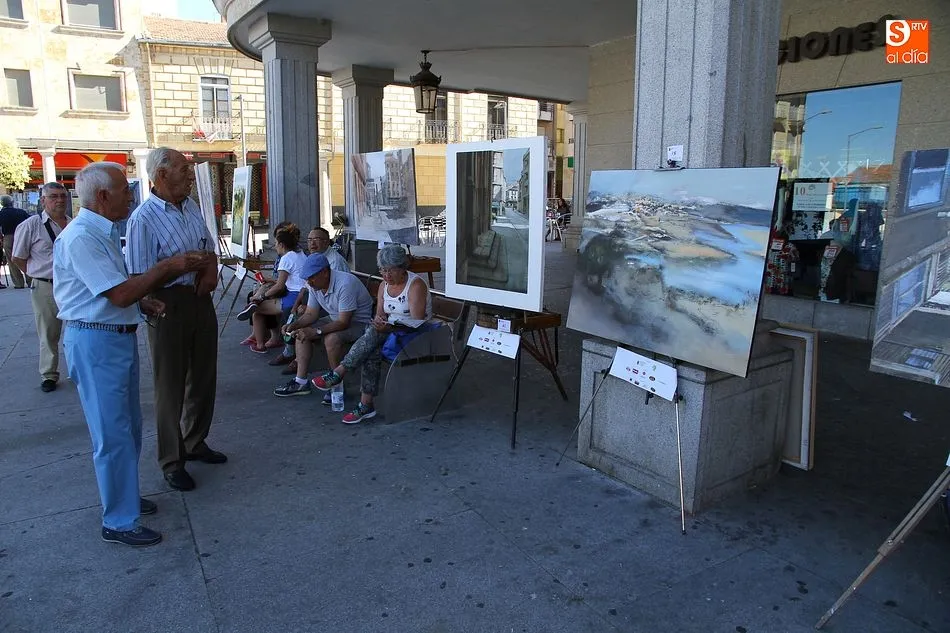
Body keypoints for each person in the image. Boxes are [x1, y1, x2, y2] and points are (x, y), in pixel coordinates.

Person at [54, 162, 214, 547]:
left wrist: (142, 304)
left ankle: (124, 499)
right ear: (103, 196)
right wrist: (167, 268)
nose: (131, 195)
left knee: (126, 429)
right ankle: (118, 521)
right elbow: (120, 292)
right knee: (112, 434)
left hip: (111, 334)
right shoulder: (82, 238)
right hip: (95, 340)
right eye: (125, 190)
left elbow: (114, 290)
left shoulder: (101, 232)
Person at [125, 147, 223, 492]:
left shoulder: (191, 206)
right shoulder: (143, 218)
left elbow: (207, 245)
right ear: (162, 174)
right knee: (170, 385)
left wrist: (209, 269)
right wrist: (174, 269)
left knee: (203, 376)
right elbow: (139, 274)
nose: (190, 175)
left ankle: (195, 441)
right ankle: (171, 459)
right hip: (166, 303)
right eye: (184, 169)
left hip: (199, 298)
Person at [312, 245, 433, 423]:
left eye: (390, 270)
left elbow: (415, 322)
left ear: (402, 268)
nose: (385, 275)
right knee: (372, 347)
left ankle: (340, 373)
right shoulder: (384, 285)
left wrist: (388, 327)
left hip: (416, 336)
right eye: (382, 270)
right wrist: (379, 322)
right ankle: (365, 404)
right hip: (390, 334)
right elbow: (380, 314)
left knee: (373, 337)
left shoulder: (415, 285)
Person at [273, 253, 372, 400]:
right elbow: (311, 314)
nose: (309, 282)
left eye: (311, 277)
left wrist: (316, 331)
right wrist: (294, 325)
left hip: (359, 324)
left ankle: (337, 385)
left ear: (325, 273)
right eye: (307, 278)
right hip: (335, 318)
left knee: (331, 339)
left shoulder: (345, 284)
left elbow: (344, 322)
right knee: (300, 332)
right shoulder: (314, 284)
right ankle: (301, 382)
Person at [11, 182, 71, 392]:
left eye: (63, 196)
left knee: (75, 330)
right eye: (54, 196)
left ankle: (76, 368)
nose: (60, 200)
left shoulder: (71, 224)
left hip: (71, 286)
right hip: (45, 285)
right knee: (48, 331)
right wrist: (36, 275)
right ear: (43, 200)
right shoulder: (31, 225)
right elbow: (18, 257)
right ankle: (49, 374)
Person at [269, 226, 350, 370]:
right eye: (309, 240)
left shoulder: (334, 262)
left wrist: (306, 309)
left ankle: (295, 357)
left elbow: (334, 295)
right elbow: (306, 286)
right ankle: (297, 367)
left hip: (337, 308)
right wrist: (296, 306)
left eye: (317, 239)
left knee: (302, 319)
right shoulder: (313, 258)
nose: (312, 243)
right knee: (294, 313)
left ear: (327, 242)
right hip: (321, 302)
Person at [238, 225, 307, 352]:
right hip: (303, 295)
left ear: (281, 244)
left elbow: (279, 286)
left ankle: (260, 345)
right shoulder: (301, 254)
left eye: (275, 243)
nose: (274, 246)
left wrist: (262, 296)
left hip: (292, 298)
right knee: (263, 295)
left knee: (257, 310)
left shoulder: (286, 258)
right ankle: (254, 303)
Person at [0, 195, 31, 289]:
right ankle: (30, 281)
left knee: (11, 260)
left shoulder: (1, 214)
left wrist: (1, 238)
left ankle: (18, 283)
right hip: (21, 236)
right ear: (12, 202)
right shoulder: (20, 212)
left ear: (2, 204)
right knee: (26, 258)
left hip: (8, 237)